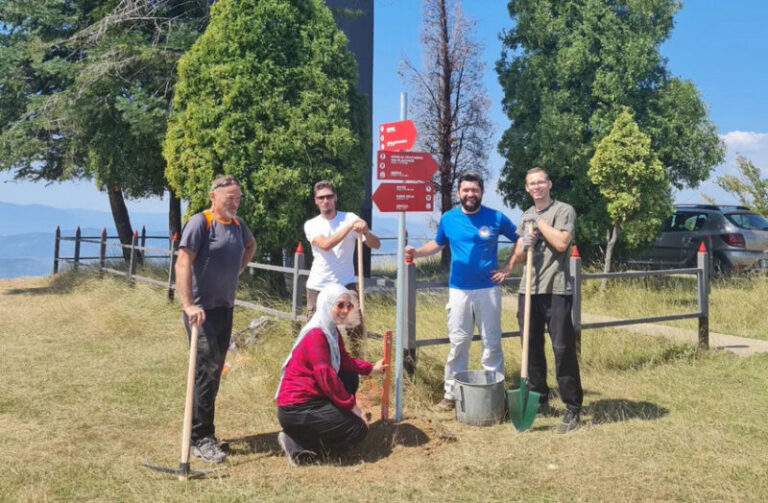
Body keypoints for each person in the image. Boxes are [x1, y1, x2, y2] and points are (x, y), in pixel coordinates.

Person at [404, 172, 519, 411]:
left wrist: (508, 266)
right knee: (458, 343)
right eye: (465, 190)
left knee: (492, 343)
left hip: (488, 290)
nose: (470, 194)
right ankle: (450, 395)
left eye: (474, 190)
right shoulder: (449, 218)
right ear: (458, 193)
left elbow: (520, 239)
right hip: (458, 291)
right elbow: (437, 244)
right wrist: (416, 252)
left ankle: (494, 395)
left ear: (481, 192)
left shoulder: (496, 217)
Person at [175, 175, 257, 463]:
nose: (235, 203)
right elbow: (183, 260)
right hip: (201, 312)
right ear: (214, 197)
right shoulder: (201, 222)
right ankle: (199, 439)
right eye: (229, 198)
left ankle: (206, 432)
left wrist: (237, 270)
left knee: (214, 372)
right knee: (205, 372)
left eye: (238, 198)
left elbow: (251, 246)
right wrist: (188, 304)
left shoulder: (237, 225)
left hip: (225, 308)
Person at [275, 284, 387, 466]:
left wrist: (370, 369)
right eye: (340, 305)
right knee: (356, 429)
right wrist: (354, 408)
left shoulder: (331, 331)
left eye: (349, 306)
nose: (345, 310)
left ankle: (304, 437)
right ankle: (298, 445)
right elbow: (326, 376)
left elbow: (344, 361)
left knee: (349, 376)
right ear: (327, 305)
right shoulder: (316, 334)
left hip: (312, 398)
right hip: (297, 407)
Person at [509, 167, 584, 433]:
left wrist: (539, 223)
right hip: (528, 289)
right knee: (530, 347)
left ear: (549, 184)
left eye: (541, 182)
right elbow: (517, 257)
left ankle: (572, 407)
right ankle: (539, 398)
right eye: (532, 183)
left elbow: (562, 243)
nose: (537, 186)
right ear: (527, 188)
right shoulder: (524, 216)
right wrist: (524, 243)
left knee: (562, 348)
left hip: (556, 289)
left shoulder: (563, 210)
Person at [304, 180, 380, 353]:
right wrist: (350, 227)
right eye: (321, 197)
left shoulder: (349, 217)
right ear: (316, 201)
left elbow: (376, 245)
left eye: (329, 196)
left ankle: (355, 366)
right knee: (315, 332)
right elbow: (325, 244)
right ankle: (317, 369)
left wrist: (366, 231)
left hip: (345, 285)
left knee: (355, 327)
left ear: (335, 198)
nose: (325, 201)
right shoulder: (311, 224)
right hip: (318, 286)